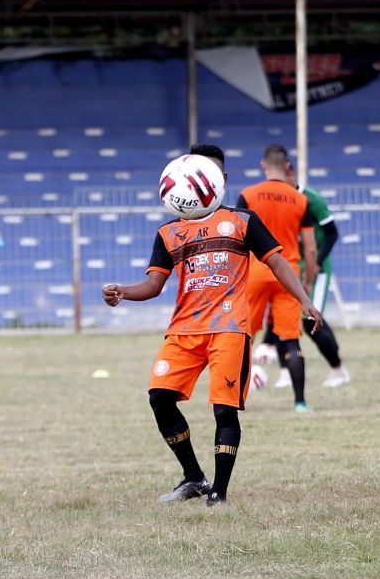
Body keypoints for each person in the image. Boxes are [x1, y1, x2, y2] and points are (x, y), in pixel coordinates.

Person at [102, 144, 322, 507]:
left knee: (224, 409)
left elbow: (278, 262)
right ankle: (194, 477)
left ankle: (218, 492)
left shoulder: (243, 221)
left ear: (222, 179)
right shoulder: (169, 232)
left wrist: (306, 300)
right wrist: (123, 291)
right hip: (184, 330)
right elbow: (154, 285)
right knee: (160, 397)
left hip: (229, 328)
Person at [237, 144, 318, 412]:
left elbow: (237, 240)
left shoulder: (248, 195)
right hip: (288, 273)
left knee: (243, 337)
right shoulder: (300, 200)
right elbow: (310, 246)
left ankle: (237, 398)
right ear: (287, 167)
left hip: (255, 272)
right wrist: (307, 281)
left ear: (263, 165)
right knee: (291, 339)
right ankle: (300, 402)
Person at [258, 162, 350, 389]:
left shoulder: (311, 199)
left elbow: (332, 233)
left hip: (314, 269)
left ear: (290, 173)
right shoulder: (276, 199)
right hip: (289, 268)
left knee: (311, 321)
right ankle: (285, 373)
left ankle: (338, 369)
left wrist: (317, 263)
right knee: (282, 318)